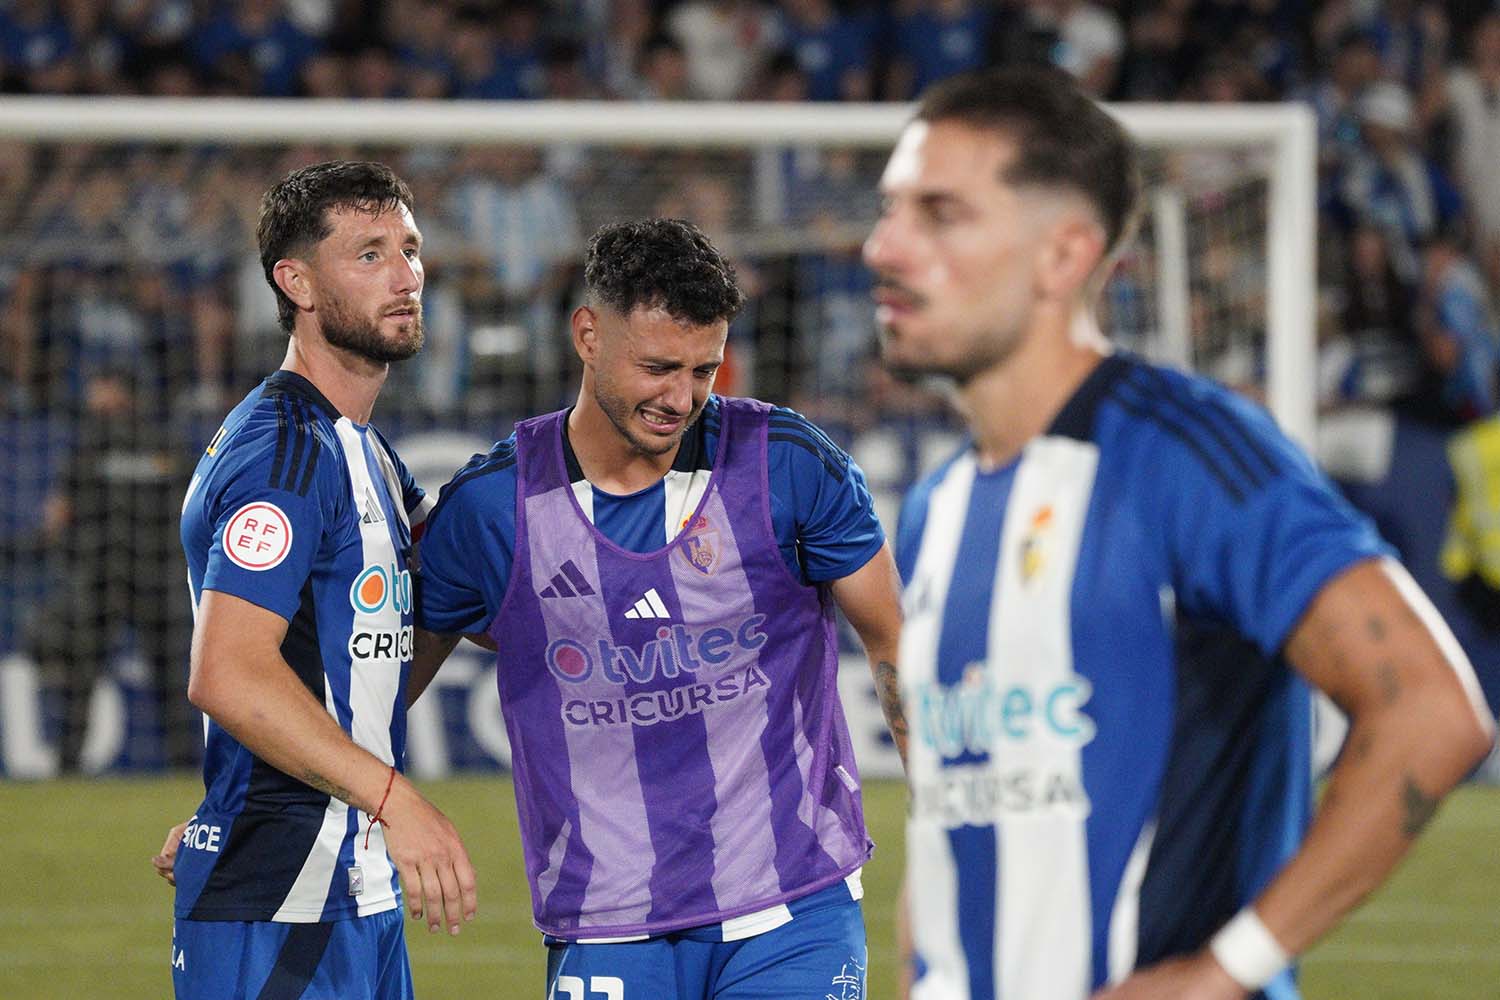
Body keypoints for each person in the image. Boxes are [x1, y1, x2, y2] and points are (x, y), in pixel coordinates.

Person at [862, 67, 1494, 1000]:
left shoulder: (1188, 457)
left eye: (941, 214)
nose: (884, 247)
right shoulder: (937, 505)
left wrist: (1218, 975)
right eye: (890, 209)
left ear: (1063, 256)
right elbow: (948, 813)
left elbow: (1434, 711)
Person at [414, 218, 905, 997]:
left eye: (704, 370)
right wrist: (240, 812)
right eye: (656, 367)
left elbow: (896, 648)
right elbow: (372, 688)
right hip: (607, 919)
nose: (680, 398)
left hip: (793, 909)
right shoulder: (492, 511)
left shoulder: (789, 464)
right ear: (587, 335)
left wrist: (954, 834)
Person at [165, 160, 477, 1000]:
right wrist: (396, 800)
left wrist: (246, 774)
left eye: (410, 249)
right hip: (283, 898)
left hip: (351, 888)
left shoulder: (365, 449)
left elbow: (361, 662)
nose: (407, 275)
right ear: (294, 282)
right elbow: (226, 672)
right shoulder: (283, 455)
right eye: (369, 254)